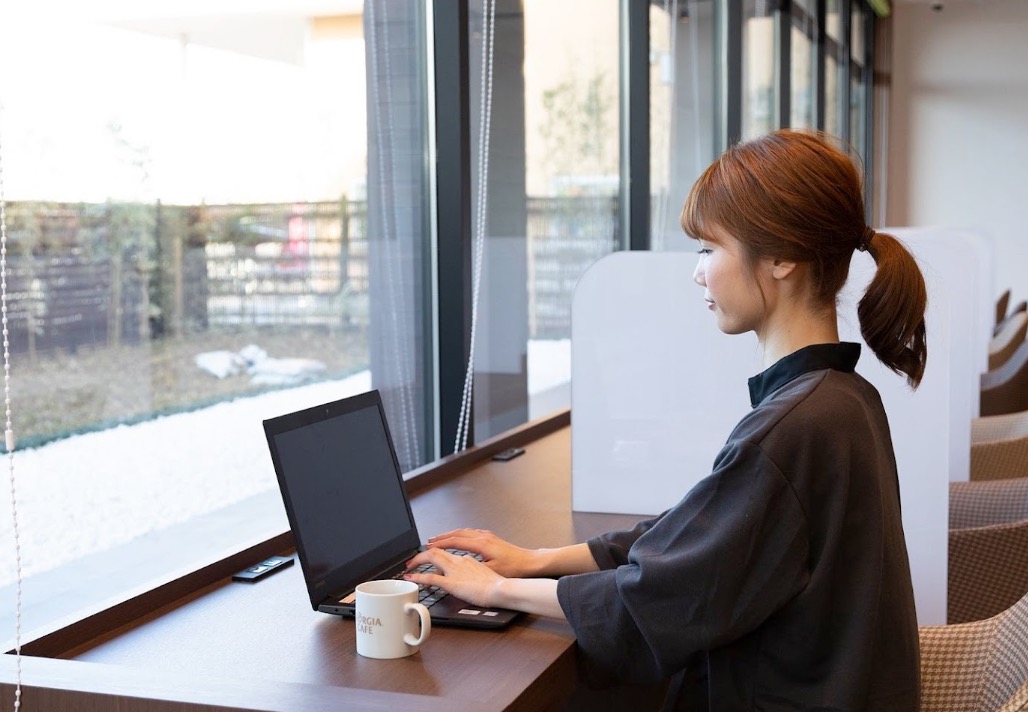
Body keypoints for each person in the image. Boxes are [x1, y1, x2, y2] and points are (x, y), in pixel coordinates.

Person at [406, 129, 925, 711]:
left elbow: (661, 599)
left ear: (783, 257)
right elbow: (695, 533)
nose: (698, 274)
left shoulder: (796, 428)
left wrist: (497, 589)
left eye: (709, 249)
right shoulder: (842, 398)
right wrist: (538, 561)